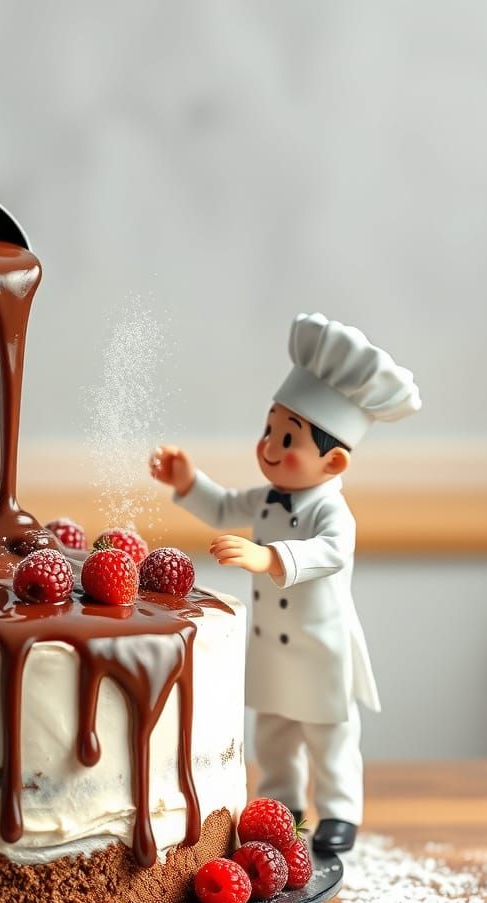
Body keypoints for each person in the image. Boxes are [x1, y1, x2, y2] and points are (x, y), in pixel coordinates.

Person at [150, 313, 420, 852]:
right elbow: (225, 505)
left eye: (288, 437)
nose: (270, 445)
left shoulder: (333, 513)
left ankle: (340, 811)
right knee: (273, 734)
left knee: (330, 739)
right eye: (269, 429)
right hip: (272, 652)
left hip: (321, 652)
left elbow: (329, 553)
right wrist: (188, 483)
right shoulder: (267, 495)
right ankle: (282, 803)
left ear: (334, 459)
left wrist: (267, 556)